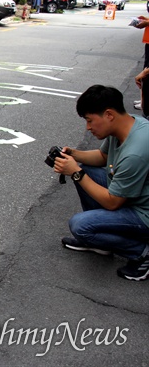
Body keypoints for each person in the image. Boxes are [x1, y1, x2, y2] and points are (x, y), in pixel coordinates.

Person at [55, 85, 149, 281]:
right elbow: (102, 156)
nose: (88, 127)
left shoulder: (135, 152)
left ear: (109, 115)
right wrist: (72, 154)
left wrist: (75, 172)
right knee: (87, 171)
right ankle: (100, 243)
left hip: (144, 214)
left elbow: (112, 202)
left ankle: (142, 252)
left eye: (90, 120)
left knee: (80, 226)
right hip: (134, 195)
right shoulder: (130, 124)